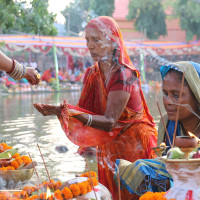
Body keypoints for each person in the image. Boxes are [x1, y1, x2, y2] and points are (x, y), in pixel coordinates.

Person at [33, 16, 157, 200]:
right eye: (87, 40)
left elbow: (109, 122)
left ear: (112, 41)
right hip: (108, 144)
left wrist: (71, 112)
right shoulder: (92, 74)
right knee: (110, 195)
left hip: (135, 144)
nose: (90, 45)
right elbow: (85, 114)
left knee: (138, 196)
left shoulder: (124, 74)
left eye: (96, 40)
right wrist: (60, 111)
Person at [115, 61, 200, 197]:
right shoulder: (167, 123)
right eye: (165, 93)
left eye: (176, 95)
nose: (168, 101)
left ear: (197, 96)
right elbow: (165, 162)